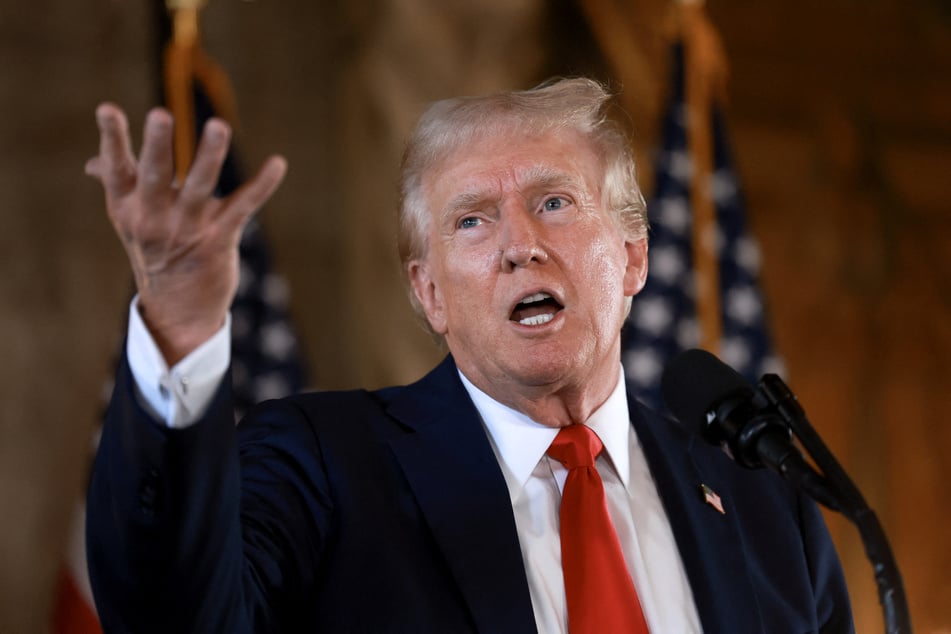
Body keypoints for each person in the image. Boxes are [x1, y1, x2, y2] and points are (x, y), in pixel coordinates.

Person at [85, 78, 853, 633]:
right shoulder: (324, 467)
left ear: (631, 257)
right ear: (429, 295)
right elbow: (173, 616)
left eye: (553, 202)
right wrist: (177, 333)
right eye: (472, 221)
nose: (521, 245)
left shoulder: (763, 501)